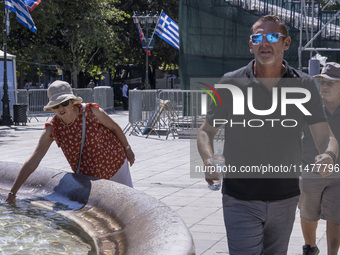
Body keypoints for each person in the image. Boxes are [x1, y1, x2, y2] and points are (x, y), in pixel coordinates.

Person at [197, 15, 338, 254]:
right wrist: (208, 160)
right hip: (240, 198)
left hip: (285, 198)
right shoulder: (231, 83)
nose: (265, 43)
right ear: (251, 44)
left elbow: (326, 137)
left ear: (286, 43)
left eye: (273, 36)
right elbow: (205, 132)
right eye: (258, 37)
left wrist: (329, 155)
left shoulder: (303, 86)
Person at [6, 80, 135, 203]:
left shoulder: (91, 112)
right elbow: (34, 160)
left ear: (72, 102)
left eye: (65, 103)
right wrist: (12, 193)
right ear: (52, 108)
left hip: (115, 165)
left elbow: (114, 127)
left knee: (127, 204)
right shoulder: (53, 128)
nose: (61, 108)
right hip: (90, 178)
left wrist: (128, 150)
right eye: (56, 105)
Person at [299, 62, 340, 255]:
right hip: (310, 169)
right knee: (308, 212)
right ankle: (310, 247)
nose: (324, 86)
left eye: (330, 83)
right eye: (322, 82)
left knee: (336, 216)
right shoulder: (310, 107)